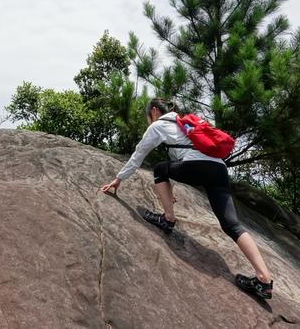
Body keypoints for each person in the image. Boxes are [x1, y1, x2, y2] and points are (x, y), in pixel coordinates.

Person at [99, 98, 274, 300]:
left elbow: (138, 156)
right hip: (219, 169)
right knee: (231, 224)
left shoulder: (158, 125)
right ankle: (264, 280)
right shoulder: (187, 125)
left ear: (154, 111)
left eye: (148, 116)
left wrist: (118, 179)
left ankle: (168, 219)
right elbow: (179, 157)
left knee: (159, 169)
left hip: (197, 166)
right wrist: (169, 188)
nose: (149, 120)